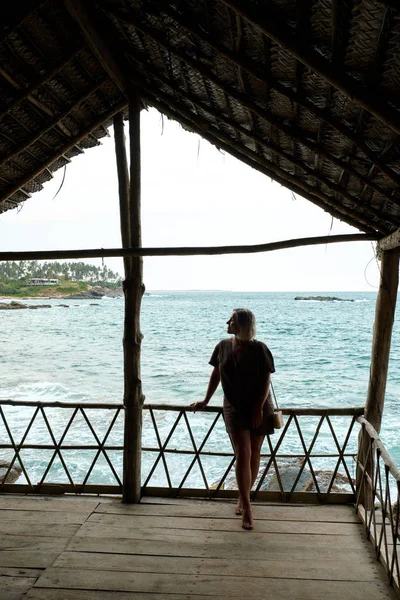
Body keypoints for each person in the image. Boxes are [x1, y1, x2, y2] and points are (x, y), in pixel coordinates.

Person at [191, 308, 275, 530]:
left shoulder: (259, 349)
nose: (227, 322)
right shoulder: (222, 346)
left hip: (259, 405)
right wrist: (206, 400)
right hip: (234, 407)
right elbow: (216, 374)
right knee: (243, 453)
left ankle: (242, 497)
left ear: (243, 325)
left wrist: (258, 408)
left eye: (233, 320)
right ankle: (247, 507)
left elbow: (266, 381)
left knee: (255, 453)